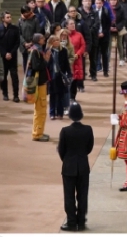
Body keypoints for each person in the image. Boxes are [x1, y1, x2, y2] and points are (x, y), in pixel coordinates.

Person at [57, 102, 93, 232]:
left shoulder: (65, 131)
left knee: (69, 195)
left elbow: (61, 150)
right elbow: (89, 147)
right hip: (83, 166)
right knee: (83, 195)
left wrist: (67, 160)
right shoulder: (88, 129)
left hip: (68, 167)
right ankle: (81, 221)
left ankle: (71, 222)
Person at [30, 33, 51, 142]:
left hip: (42, 82)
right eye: (43, 38)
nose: (44, 39)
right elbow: (36, 66)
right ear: (38, 40)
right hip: (39, 83)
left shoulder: (38, 50)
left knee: (41, 109)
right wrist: (46, 60)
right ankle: (37, 134)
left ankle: (39, 131)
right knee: (40, 110)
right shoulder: (36, 51)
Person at [0, 11, 21, 103]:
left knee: (14, 76)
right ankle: (5, 94)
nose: (9, 18)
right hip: (2, 57)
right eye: (7, 17)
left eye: (10, 17)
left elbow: (17, 42)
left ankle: (16, 95)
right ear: (2, 19)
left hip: (12, 57)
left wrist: (11, 53)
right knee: (3, 76)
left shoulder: (15, 29)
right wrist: (4, 53)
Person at [46, 35, 72, 120]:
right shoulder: (48, 51)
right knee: (52, 95)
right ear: (51, 43)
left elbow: (67, 64)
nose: (57, 42)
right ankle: (52, 113)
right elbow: (46, 64)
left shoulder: (63, 50)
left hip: (60, 76)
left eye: (58, 40)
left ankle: (60, 113)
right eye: (54, 40)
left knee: (61, 95)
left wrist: (69, 74)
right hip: (51, 76)